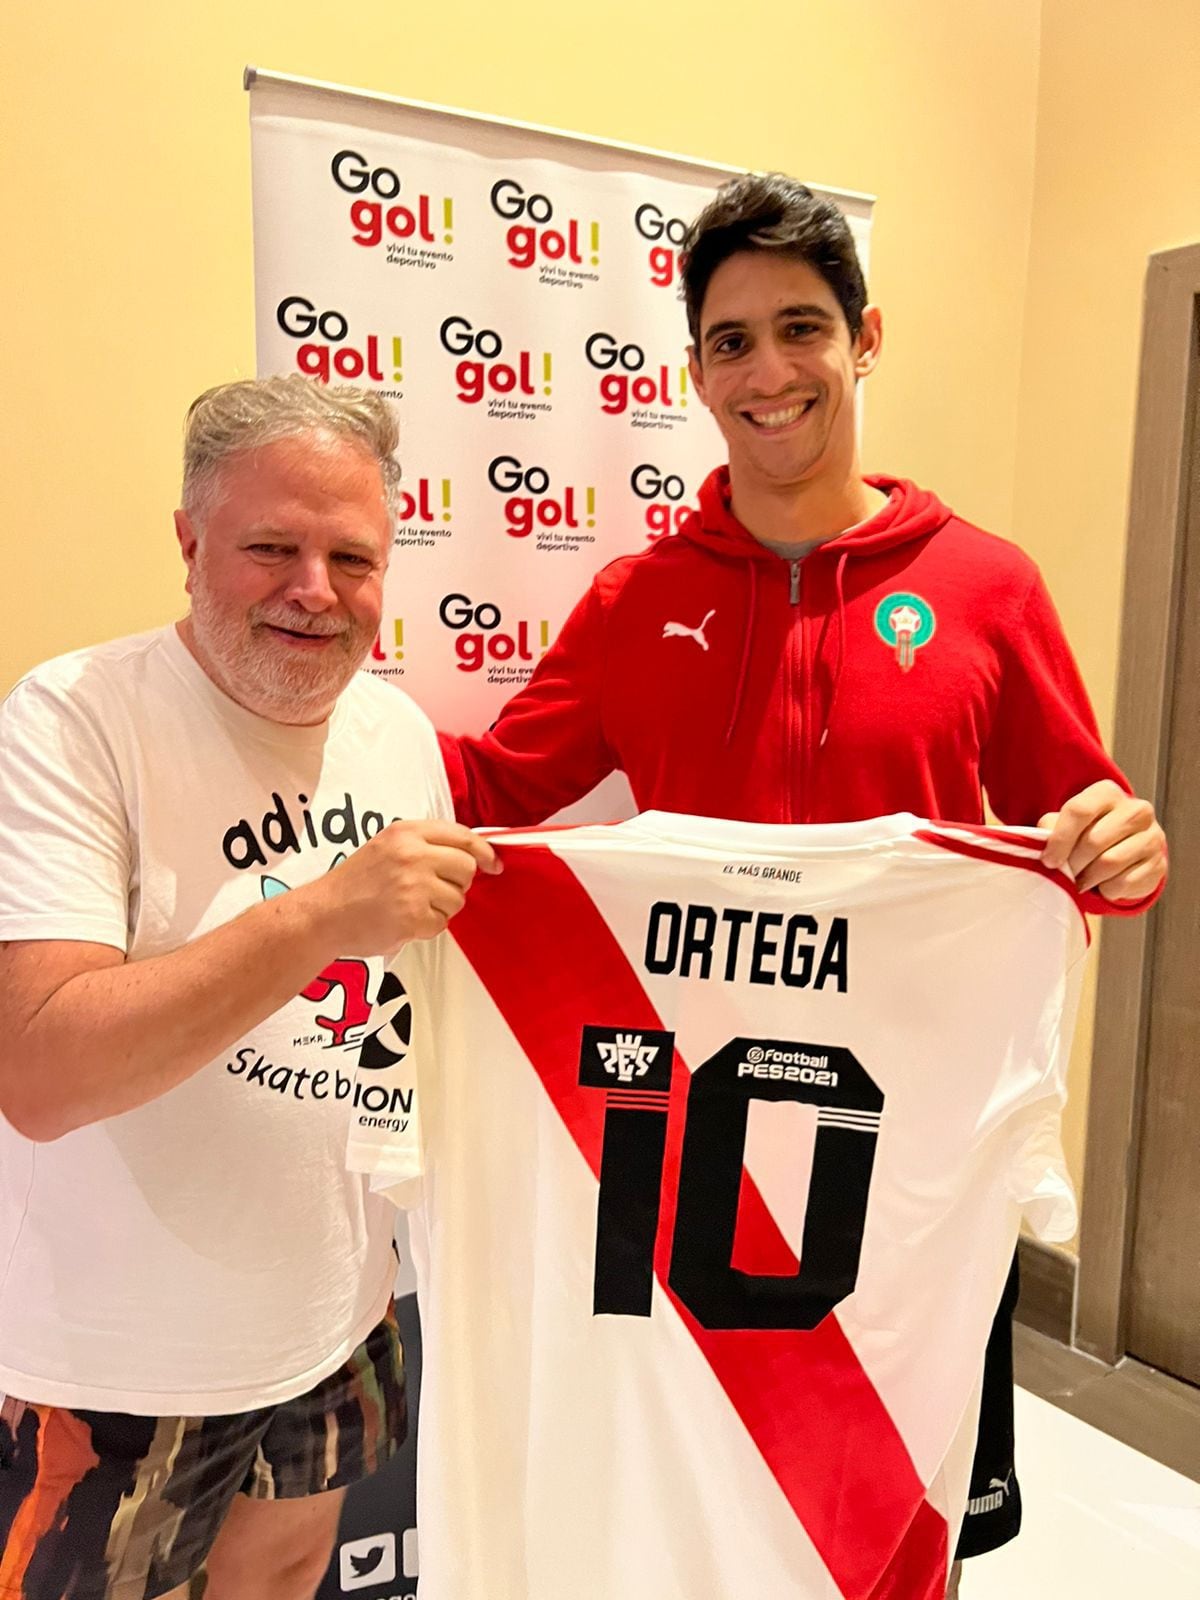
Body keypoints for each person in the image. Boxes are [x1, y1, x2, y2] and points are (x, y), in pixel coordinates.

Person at [440, 174, 1167, 1592]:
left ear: (864, 337)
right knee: (678, 1520)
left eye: (801, 328)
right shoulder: (636, 602)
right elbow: (491, 795)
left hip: (902, 1182)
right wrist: (302, 736)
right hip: (680, 1171)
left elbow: (1082, 834)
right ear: (693, 366)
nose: (767, 374)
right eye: (730, 341)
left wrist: (1126, 848)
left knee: (895, 1529)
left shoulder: (986, 590)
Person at [0, 376, 496, 1600]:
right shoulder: (73, 721)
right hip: (120, 1352)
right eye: (272, 546)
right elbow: (44, 1071)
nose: (314, 590)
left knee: (286, 1574)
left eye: (352, 556)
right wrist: (325, 911)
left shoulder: (397, 732)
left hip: (337, 1308)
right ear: (188, 541)